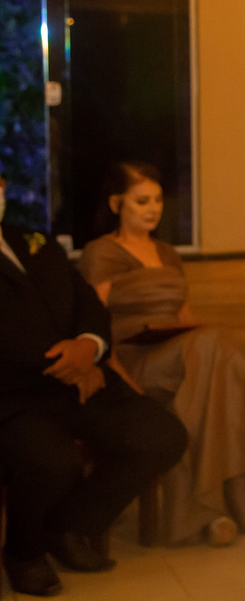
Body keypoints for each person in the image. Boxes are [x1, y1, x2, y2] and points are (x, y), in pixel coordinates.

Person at [78, 162, 245, 547]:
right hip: (131, 358)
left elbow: (184, 317)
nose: (153, 209)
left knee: (207, 379)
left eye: (157, 200)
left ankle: (211, 514)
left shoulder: (168, 253)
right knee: (208, 348)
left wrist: (201, 339)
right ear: (117, 204)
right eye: (142, 201)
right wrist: (123, 382)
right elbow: (93, 322)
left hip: (177, 355)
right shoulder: (101, 252)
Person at [0, 171, 187, 596]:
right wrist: (68, 362)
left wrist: (90, 345)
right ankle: (24, 553)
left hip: (79, 378)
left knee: (162, 436)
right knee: (54, 461)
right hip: (14, 394)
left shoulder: (34, 241)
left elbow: (85, 300)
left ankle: (67, 526)